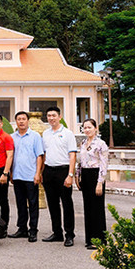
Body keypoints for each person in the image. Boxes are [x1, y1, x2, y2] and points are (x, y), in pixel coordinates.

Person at [41, 106, 78, 247]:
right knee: (52, 204)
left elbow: (72, 155)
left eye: (53, 115)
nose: (51, 118)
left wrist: (70, 175)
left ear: (59, 116)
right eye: (49, 115)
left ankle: (69, 234)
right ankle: (57, 232)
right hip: (49, 171)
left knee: (67, 203)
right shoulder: (45, 134)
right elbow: (44, 154)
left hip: (63, 171)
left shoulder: (68, 133)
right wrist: (42, 173)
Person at [9, 111, 45, 242]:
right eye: (19, 119)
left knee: (33, 204)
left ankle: (33, 230)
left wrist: (38, 173)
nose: (21, 121)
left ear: (27, 121)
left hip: (31, 176)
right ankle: (22, 229)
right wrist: (11, 173)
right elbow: (10, 157)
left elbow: (39, 156)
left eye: (23, 119)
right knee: (20, 204)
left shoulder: (35, 136)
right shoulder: (12, 137)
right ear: (16, 122)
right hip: (17, 175)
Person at [76, 118, 108, 249]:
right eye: (85, 127)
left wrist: (100, 182)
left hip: (96, 175)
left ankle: (100, 239)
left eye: (89, 127)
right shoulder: (83, 143)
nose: (87, 130)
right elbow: (80, 161)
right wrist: (77, 176)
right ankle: (89, 238)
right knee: (88, 208)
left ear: (95, 128)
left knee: (97, 208)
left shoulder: (101, 144)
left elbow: (104, 164)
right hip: (85, 175)